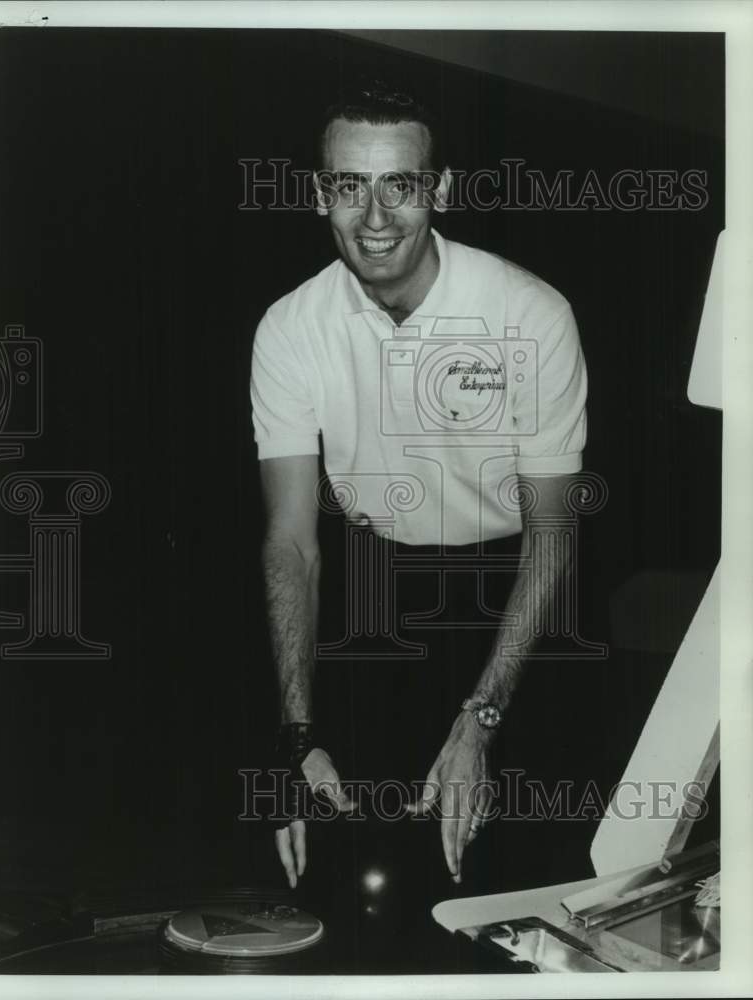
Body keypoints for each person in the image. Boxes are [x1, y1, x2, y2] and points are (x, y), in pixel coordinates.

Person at [250, 82, 588, 892]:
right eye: (347, 185)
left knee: (522, 881)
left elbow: (554, 534)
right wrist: (299, 739)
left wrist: (483, 717)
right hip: (378, 596)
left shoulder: (532, 314)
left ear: (439, 191)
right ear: (317, 194)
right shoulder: (289, 328)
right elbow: (292, 541)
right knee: (356, 872)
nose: (374, 216)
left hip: (517, 590)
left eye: (399, 185)